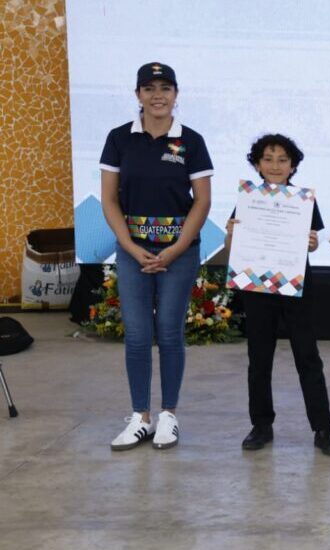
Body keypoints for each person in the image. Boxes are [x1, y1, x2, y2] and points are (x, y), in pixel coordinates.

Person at [100, 62, 213, 451]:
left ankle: (168, 415)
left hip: (178, 253)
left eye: (165, 88)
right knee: (136, 335)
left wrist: (175, 249)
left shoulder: (191, 141)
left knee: (168, 331)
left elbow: (202, 201)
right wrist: (131, 247)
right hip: (133, 251)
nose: (157, 95)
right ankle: (140, 417)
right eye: (149, 88)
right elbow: (109, 199)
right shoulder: (119, 139)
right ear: (138, 95)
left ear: (176, 94)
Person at [224, 134, 330, 456]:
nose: (275, 166)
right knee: (259, 358)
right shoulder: (249, 199)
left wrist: (312, 244)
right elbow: (231, 244)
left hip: (295, 285)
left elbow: (312, 242)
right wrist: (232, 233)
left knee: (307, 356)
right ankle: (261, 425)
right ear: (257, 164)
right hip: (256, 285)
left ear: (293, 166)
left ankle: (323, 428)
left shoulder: (302, 201)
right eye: (268, 159)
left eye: (282, 160)